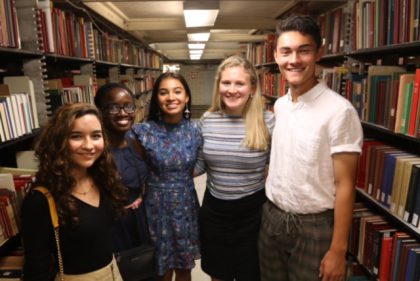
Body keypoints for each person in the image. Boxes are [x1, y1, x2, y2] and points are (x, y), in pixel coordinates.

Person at [259, 15, 363, 281]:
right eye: (286, 51)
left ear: (318, 53)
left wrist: (338, 250)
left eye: (303, 51)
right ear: (276, 56)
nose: (294, 60)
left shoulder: (340, 111)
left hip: (314, 227)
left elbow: (345, 185)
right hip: (272, 218)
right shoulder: (280, 105)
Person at [21, 103, 127, 281]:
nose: (89, 145)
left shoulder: (103, 180)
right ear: (59, 141)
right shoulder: (40, 200)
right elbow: (36, 268)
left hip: (112, 274)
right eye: (76, 136)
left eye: (96, 136)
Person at [194, 55, 275, 281]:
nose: (232, 89)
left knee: (251, 274)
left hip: (254, 215)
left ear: (252, 87)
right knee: (218, 274)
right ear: (218, 85)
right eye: (226, 83)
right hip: (214, 212)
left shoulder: (268, 121)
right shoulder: (208, 120)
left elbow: (277, 167)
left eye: (239, 83)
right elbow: (200, 164)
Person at [131, 72, 201, 281]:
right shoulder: (142, 132)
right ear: (156, 98)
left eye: (177, 91)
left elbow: (198, 165)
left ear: (187, 97)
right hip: (155, 206)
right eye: (164, 92)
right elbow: (137, 170)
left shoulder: (196, 130)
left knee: (183, 267)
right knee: (159, 268)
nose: (171, 97)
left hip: (186, 204)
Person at [94, 83, 151, 255]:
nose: (123, 113)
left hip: (138, 220)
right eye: (114, 108)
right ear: (100, 111)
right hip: (110, 225)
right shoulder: (95, 150)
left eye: (128, 106)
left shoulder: (137, 142)